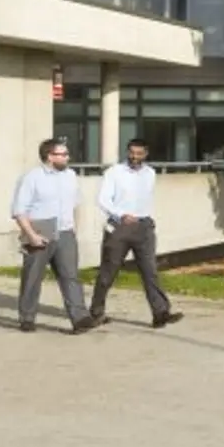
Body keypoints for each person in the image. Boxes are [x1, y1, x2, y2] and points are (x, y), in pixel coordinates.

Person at [88, 137, 183, 330]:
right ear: (127, 152)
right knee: (108, 272)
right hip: (119, 227)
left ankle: (160, 313)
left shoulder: (150, 173)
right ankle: (96, 312)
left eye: (139, 153)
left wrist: (147, 218)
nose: (134, 157)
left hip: (144, 228)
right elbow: (103, 199)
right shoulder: (114, 172)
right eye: (132, 152)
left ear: (146, 154)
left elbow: (144, 198)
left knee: (150, 271)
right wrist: (121, 214)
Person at [11, 137, 95, 334]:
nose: (67, 157)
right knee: (32, 277)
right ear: (50, 156)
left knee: (70, 276)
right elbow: (18, 210)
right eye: (62, 154)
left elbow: (76, 204)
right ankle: (27, 318)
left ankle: (80, 317)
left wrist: (75, 228)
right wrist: (30, 235)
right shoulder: (31, 177)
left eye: (67, 154)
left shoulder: (70, 176)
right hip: (40, 231)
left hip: (65, 232)